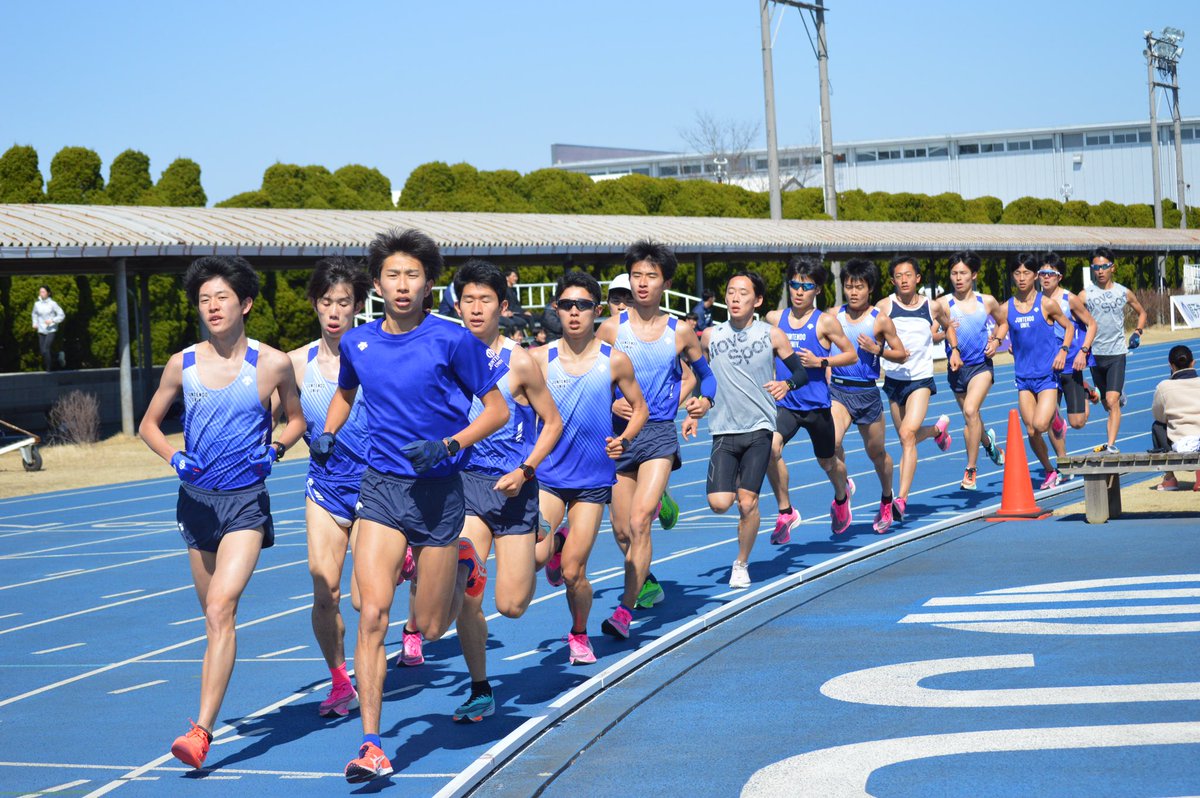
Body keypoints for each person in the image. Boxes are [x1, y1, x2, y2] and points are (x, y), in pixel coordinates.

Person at [311, 228, 510, 783]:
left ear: (429, 284)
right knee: (371, 613)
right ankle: (372, 744)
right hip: (381, 488)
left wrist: (450, 445)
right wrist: (329, 431)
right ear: (377, 284)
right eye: (393, 275)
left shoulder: (453, 340)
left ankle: (464, 564)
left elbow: (496, 412)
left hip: (440, 489)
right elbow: (347, 392)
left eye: (413, 275)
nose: (403, 285)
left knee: (430, 624)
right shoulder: (358, 343)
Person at [138, 255, 306, 770]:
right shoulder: (181, 364)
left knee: (220, 609)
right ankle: (207, 719)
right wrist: (175, 457)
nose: (212, 307)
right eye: (204, 300)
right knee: (213, 619)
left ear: (245, 304)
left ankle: (201, 730)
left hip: (246, 504)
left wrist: (275, 449)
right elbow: (148, 424)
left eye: (222, 298)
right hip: (196, 504)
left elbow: (297, 419)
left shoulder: (272, 363)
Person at [450, 259, 563, 721]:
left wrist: (528, 469)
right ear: (457, 305)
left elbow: (553, 423)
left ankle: (549, 534)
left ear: (502, 305)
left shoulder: (520, 360)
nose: (476, 309)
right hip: (466, 488)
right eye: (468, 300)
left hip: (515, 489)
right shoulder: (445, 354)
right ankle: (480, 687)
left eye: (486, 300)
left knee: (512, 606)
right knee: (468, 593)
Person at [597, 240, 715, 638]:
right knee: (620, 531)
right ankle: (645, 581)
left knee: (639, 520)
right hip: (619, 437)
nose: (642, 283)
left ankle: (624, 612)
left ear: (665, 282)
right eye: (636, 276)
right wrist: (612, 403)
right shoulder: (612, 328)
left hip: (659, 434)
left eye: (651, 276)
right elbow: (593, 377)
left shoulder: (679, 331)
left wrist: (704, 400)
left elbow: (706, 375)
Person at [532, 271, 648, 664]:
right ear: (556, 310)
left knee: (571, 572)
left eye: (583, 305)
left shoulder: (614, 360)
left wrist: (625, 439)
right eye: (567, 305)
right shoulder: (539, 360)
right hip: (547, 477)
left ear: (596, 311)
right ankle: (553, 544)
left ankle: (579, 633)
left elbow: (641, 408)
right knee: (532, 556)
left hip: (591, 482)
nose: (575, 312)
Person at [284, 257, 373, 720]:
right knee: (325, 591)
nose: (334, 312)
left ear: (358, 305)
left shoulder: (377, 353)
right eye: (326, 303)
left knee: (364, 598)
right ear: (315, 306)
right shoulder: (295, 364)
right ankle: (342, 681)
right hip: (325, 488)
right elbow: (278, 417)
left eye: (343, 303)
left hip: (377, 487)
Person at [702, 271, 809, 588]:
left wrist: (785, 383)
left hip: (760, 429)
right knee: (720, 503)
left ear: (757, 300)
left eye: (743, 293)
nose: (735, 298)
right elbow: (700, 376)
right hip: (723, 430)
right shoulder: (710, 336)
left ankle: (741, 563)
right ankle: (737, 481)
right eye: (731, 292)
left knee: (747, 503)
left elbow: (801, 373)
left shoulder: (772, 335)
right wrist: (698, 404)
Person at [765, 258, 859, 536]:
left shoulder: (825, 322)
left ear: (817, 290)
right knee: (770, 448)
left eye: (806, 286)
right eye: (794, 284)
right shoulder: (775, 319)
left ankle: (842, 497)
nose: (798, 291)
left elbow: (851, 354)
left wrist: (822, 362)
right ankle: (786, 512)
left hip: (817, 406)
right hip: (786, 404)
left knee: (827, 462)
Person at [828, 259, 908, 534]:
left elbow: (901, 353)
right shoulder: (833, 316)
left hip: (867, 393)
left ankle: (887, 497)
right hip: (838, 390)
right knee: (830, 442)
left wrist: (877, 349)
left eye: (859, 287)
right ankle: (843, 488)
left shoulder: (879, 320)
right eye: (849, 286)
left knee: (877, 454)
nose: (853, 292)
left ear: (869, 289)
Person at [876, 255, 954, 521]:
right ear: (892, 280)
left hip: (921, 379)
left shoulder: (931, 307)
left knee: (908, 434)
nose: (904, 280)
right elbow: (874, 335)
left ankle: (901, 499)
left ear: (918, 278)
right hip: (894, 380)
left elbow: (948, 325)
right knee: (904, 437)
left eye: (908, 275)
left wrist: (953, 350)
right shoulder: (885, 306)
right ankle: (936, 430)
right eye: (898, 276)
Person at [935, 250, 1010, 490]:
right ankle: (989, 443)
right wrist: (945, 331)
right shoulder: (942, 304)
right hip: (956, 369)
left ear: (973, 275)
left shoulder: (985, 301)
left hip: (981, 366)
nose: (958, 278)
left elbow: (1003, 322)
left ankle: (971, 469)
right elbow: (931, 334)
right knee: (972, 417)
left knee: (969, 411)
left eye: (963, 273)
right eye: (954, 273)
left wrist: (997, 342)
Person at [1006, 252, 1075, 489]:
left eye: (1026, 273)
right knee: (1032, 430)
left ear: (1035, 276)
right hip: (1023, 378)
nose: (1022, 278)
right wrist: (999, 343)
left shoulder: (1046, 303)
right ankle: (1049, 470)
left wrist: (1063, 351)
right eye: (1017, 273)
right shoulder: (1008, 307)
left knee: (1042, 424)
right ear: (1013, 276)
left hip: (1046, 376)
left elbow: (1069, 328)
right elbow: (1001, 331)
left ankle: (1056, 418)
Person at [1080, 247, 1148, 453]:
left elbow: (1142, 312)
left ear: (1113, 268)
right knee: (1107, 404)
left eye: (1104, 267)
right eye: (1096, 267)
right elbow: (1066, 314)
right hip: (1095, 355)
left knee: (1111, 400)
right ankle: (1108, 393)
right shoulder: (1085, 294)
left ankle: (1110, 445)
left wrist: (1138, 332)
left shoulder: (1123, 292)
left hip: (1117, 353)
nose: (1100, 271)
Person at [1038, 253, 1099, 455]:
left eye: (1051, 274)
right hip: (1046, 369)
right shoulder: (1034, 301)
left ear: (1059, 277)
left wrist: (1083, 351)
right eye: (1042, 273)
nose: (1046, 277)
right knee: (1047, 418)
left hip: (1071, 365)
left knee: (1077, 422)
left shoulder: (1069, 299)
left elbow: (1091, 324)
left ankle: (1085, 390)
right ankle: (1063, 462)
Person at [1150, 345, 1200, 490]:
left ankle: (1169, 478)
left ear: (1171, 365)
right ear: (1193, 363)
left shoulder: (1163, 387)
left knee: (1157, 426)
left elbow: (1159, 416)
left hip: (1178, 445)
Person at [31, 285, 65, 371]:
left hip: (51, 329)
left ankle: (48, 369)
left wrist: (53, 320)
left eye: (43, 292)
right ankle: (58, 355)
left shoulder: (53, 304)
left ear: (48, 293)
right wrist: (35, 323)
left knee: (46, 349)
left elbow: (61, 315)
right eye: (40, 292)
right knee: (43, 352)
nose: (41, 293)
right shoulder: (37, 304)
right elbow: (34, 314)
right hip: (41, 330)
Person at [499, 267, 534, 334]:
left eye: (516, 276)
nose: (516, 278)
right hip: (509, 313)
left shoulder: (514, 290)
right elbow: (503, 304)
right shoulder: (503, 290)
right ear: (507, 278)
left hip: (516, 312)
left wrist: (524, 311)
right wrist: (504, 312)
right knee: (528, 318)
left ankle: (533, 336)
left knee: (536, 317)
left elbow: (517, 305)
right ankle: (535, 336)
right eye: (514, 276)